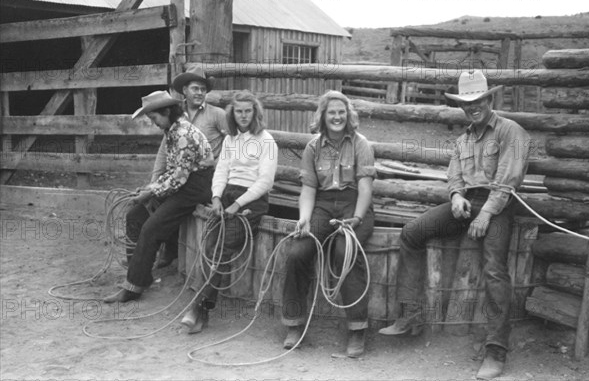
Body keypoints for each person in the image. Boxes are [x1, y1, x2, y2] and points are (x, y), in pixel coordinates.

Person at [378, 70, 531, 380]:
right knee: (411, 234)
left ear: (490, 99)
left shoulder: (511, 132)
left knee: (494, 268)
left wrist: (486, 213)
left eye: (477, 101)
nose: (472, 107)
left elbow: (508, 180)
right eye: (466, 103)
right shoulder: (463, 138)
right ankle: (410, 314)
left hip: (498, 205)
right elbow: (454, 175)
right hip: (466, 203)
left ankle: (495, 350)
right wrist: (457, 195)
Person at [280, 90, 376, 358]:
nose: (337, 117)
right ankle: (294, 324)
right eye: (331, 112)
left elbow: (366, 189)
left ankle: (357, 330)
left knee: (345, 251)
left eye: (341, 112)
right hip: (322, 204)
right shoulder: (313, 147)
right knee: (298, 253)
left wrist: (356, 219)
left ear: (348, 115)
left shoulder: (361, 144)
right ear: (323, 116)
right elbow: (309, 190)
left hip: (355, 203)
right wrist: (305, 219)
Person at [181, 90, 278, 334]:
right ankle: (202, 311)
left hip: (252, 199)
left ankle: (198, 308)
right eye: (239, 111)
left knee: (223, 249)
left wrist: (238, 205)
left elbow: (265, 182)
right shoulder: (231, 140)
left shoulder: (266, 141)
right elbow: (222, 170)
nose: (244, 116)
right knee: (208, 245)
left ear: (255, 112)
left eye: (248, 111)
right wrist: (216, 197)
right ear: (232, 113)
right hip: (227, 196)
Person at [104, 91, 215, 303]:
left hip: (195, 187)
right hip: (182, 183)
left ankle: (133, 288)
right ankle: (138, 276)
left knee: (151, 228)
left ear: (166, 112)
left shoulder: (183, 134)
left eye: (154, 118)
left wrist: (151, 192)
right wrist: (150, 188)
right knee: (135, 216)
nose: (153, 123)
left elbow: (179, 178)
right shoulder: (172, 131)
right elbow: (173, 172)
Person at [147, 66, 228, 269]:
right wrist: (154, 181)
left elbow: (234, 145)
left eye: (203, 89)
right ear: (184, 90)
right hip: (181, 175)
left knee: (174, 199)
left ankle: (168, 251)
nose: (199, 93)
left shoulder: (217, 115)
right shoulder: (175, 114)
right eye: (195, 88)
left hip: (208, 177)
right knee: (157, 198)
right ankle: (165, 249)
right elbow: (164, 151)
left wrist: (216, 164)